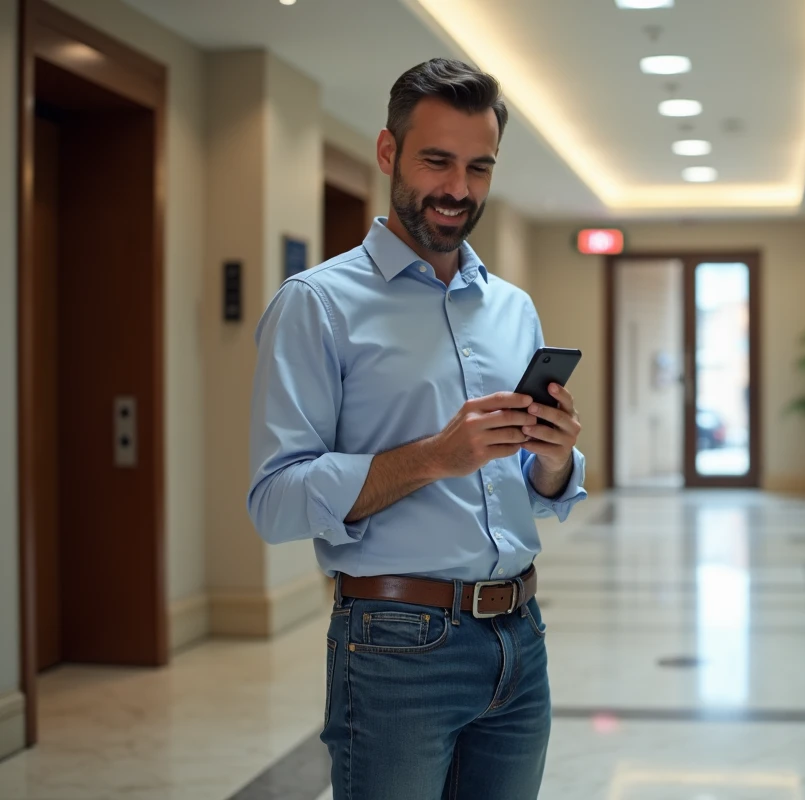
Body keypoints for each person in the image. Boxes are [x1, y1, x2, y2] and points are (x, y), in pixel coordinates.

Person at [247, 58, 586, 800]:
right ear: (387, 152)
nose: (458, 190)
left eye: (479, 167)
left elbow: (522, 482)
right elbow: (273, 501)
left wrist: (555, 463)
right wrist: (435, 456)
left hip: (519, 639)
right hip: (397, 647)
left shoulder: (512, 308)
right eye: (437, 160)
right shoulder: (316, 305)